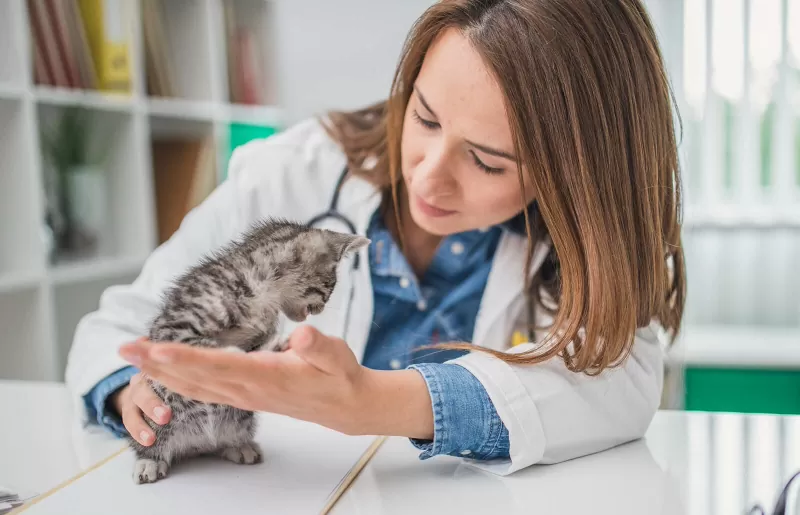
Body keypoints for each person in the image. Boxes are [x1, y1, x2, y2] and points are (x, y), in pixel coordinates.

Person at [66, 0, 685, 476]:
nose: (428, 174)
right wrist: (132, 394)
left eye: (489, 162)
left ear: (574, 173)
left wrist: (378, 401)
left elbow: (623, 382)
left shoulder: (574, 241)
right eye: (425, 116)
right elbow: (117, 326)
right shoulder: (294, 173)